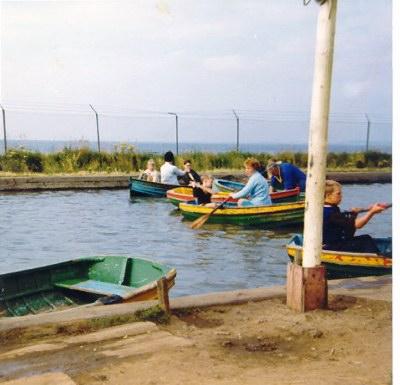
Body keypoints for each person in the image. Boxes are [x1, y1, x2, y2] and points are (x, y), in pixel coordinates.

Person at [323, 180, 385, 253]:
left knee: (364, 239)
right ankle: (379, 259)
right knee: (366, 240)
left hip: (333, 244)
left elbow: (346, 223)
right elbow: (357, 225)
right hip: (332, 246)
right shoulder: (331, 213)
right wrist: (372, 212)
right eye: (338, 194)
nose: (341, 196)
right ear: (328, 196)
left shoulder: (328, 208)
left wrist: (365, 210)